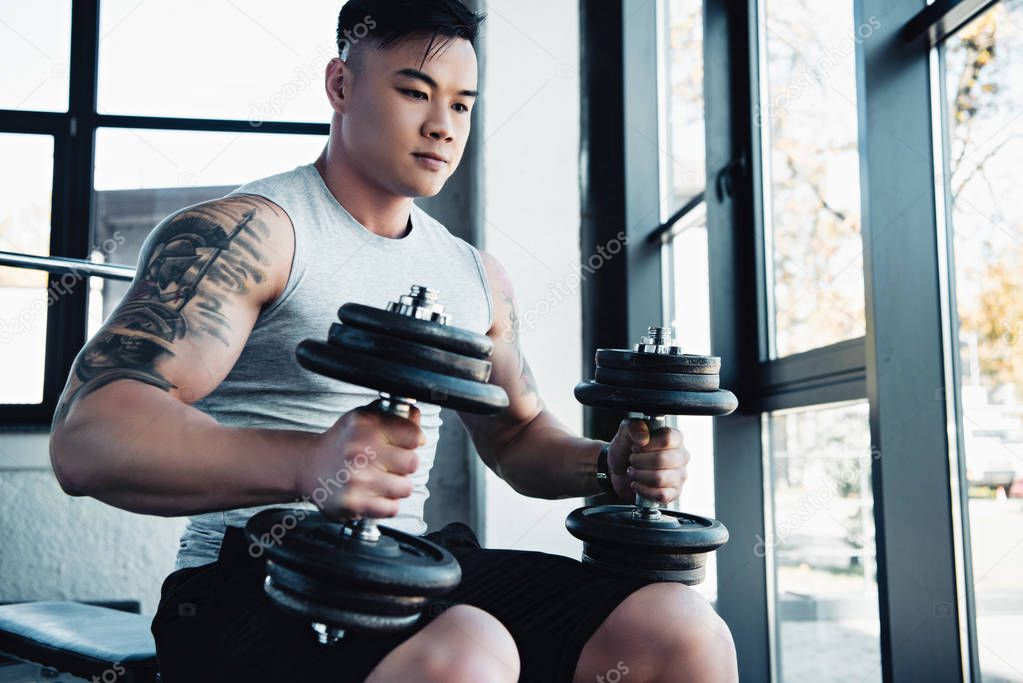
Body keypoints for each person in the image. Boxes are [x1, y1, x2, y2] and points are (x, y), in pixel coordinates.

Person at [48, 1, 738, 681]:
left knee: (677, 627)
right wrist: (309, 463)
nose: (442, 126)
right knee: (464, 646)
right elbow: (88, 438)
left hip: (412, 562)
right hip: (247, 573)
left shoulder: (473, 273)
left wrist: (605, 466)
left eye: (462, 105)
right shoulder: (251, 232)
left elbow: (518, 436)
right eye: (414, 92)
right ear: (340, 85)